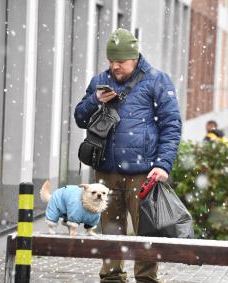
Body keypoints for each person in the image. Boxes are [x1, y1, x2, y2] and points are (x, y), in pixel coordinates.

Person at [74, 28, 181, 283]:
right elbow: (80, 117)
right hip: (106, 174)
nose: (115, 66)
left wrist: (163, 164)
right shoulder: (100, 80)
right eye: (111, 61)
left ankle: (146, 280)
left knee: (146, 235)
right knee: (110, 234)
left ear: (134, 58)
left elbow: (171, 125)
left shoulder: (157, 80)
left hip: (143, 174)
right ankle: (111, 279)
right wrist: (95, 101)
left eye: (120, 61)